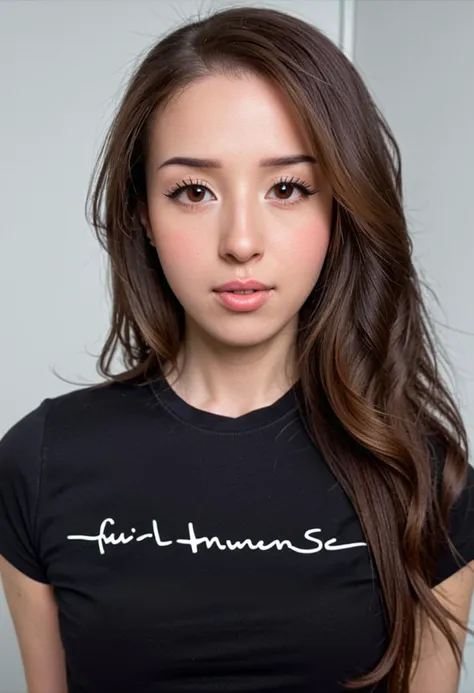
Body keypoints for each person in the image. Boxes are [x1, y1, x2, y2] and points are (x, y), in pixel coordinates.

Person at [0, 5, 473, 693]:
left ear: (339, 206)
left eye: (287, 187)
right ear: (142, 213)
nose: (242, 240)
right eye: (193, 190)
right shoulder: (37, 465)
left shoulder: (425, 479)